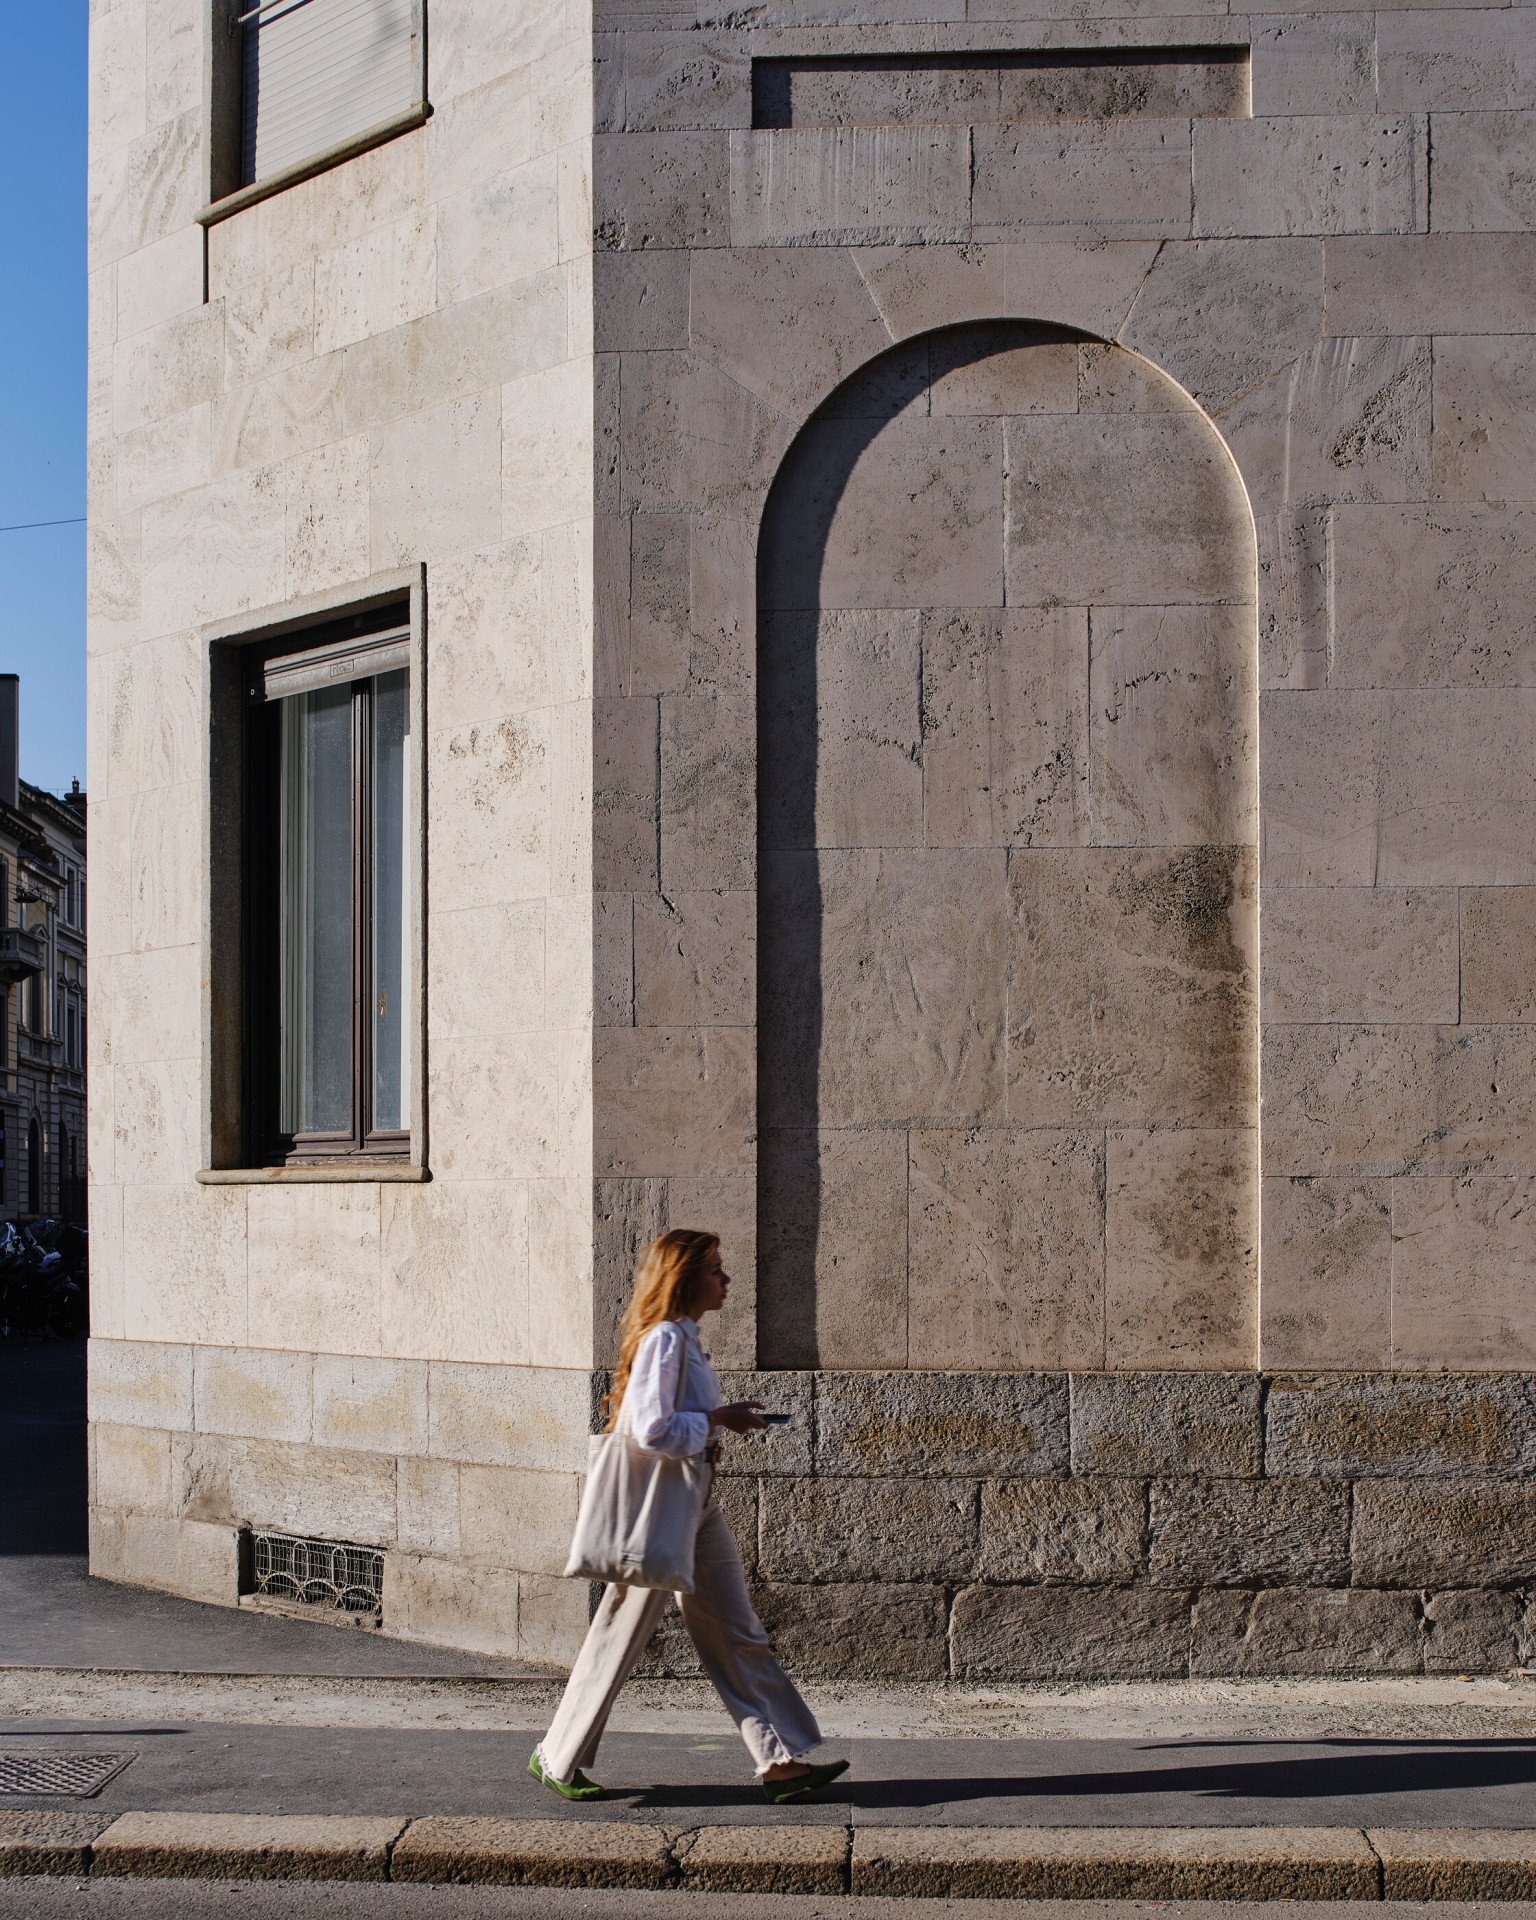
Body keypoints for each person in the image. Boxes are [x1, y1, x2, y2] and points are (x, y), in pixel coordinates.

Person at [529, 1228, 849, 1805]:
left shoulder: (684, 1338)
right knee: (622, 1631)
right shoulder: (667, 1340)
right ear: (685, 1278)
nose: (726, 1281)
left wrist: (722, 1419)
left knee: (736, 1631)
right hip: (669, 1504)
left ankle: (777, 1761)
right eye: (716, 1271)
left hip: (694, 1502)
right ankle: (557, 1754)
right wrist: (718, 1419)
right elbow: (653, 1431)